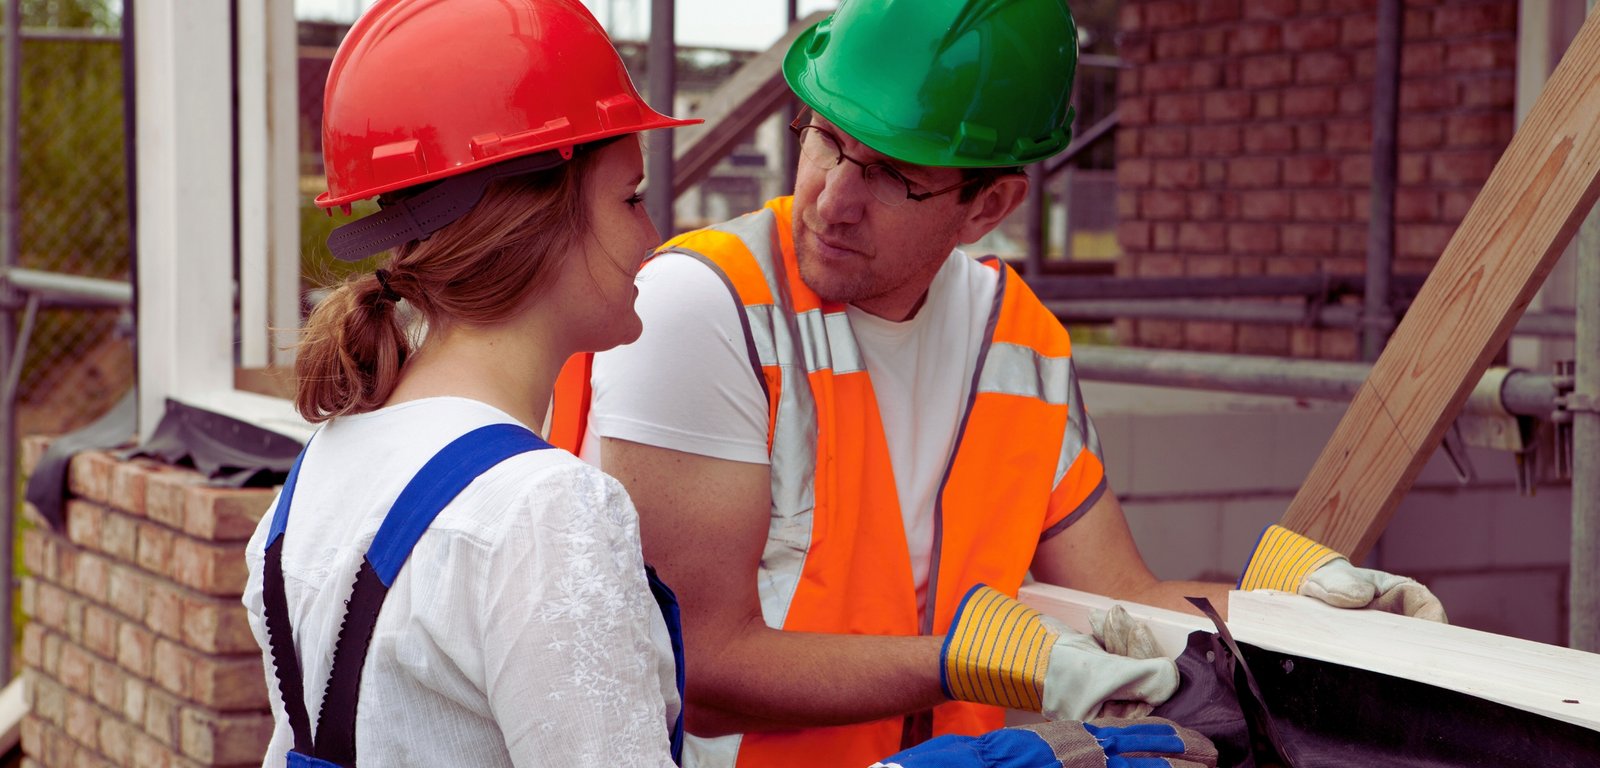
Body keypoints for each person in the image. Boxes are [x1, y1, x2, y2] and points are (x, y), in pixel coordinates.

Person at [548, 0, 1447, 766]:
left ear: (989, 207)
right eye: (827, 138)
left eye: (892, 174)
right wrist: (963, 662)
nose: (831, 196)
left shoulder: (1014, 339)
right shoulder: (705, 308)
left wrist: (1291, 620)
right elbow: (696, 670)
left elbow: (1122, 599)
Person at [240, 1, 700, 765]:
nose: (653, 237)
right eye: (630, 198)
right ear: (533, 219)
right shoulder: (543, 512)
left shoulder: (323, 468)